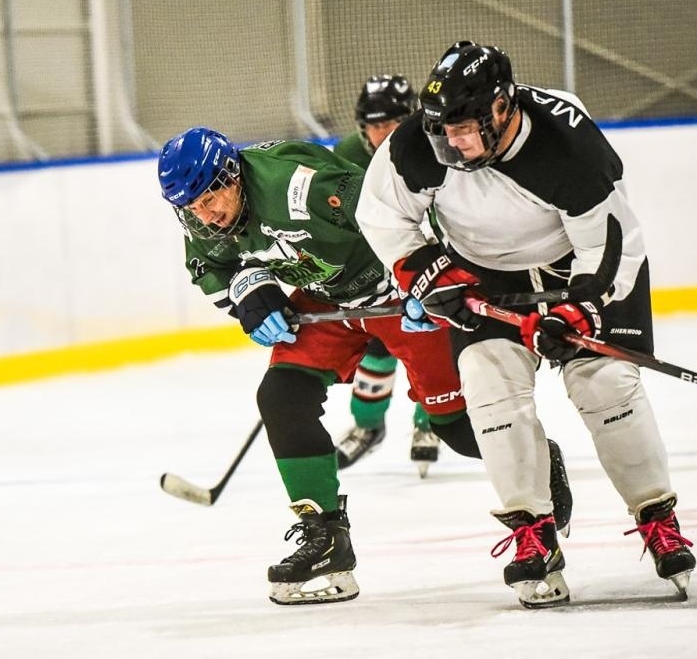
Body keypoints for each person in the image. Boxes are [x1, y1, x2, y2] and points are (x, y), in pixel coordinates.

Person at [357, 40, 695, 608]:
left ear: (502, 106)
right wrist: (430, 276)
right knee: (491, 391)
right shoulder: (418, 143)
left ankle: (658, 518)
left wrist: (573, 312)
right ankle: (532, 533)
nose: (453, 144)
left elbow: (611, 246)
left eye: (465, 129)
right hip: (484, 278)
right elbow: (382, 217)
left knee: (605, 385)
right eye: (444, 131)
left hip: (579, 271)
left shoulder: (566, 140)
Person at [157, 126, 512, 606]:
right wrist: (248, 293)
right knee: (281, 396)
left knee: (454, 427)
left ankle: (538, 467)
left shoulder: (301, 189)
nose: (207, 213)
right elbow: (212, 268)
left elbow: (406, 213)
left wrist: (430, 275)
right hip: (329, 302)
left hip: (396, 295)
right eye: (192, 206)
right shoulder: (200, 220)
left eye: (212, 195)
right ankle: (325, 539)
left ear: (233, 173)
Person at [330, 75, 441, 476]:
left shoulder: (436, 145)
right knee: (378, 342)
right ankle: (367, 426)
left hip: (427, 261)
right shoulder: (344, 155)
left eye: (390, 123)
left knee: (429, 341)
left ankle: (431, 423)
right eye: (374, 125)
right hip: (373, 267)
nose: (381, 134)